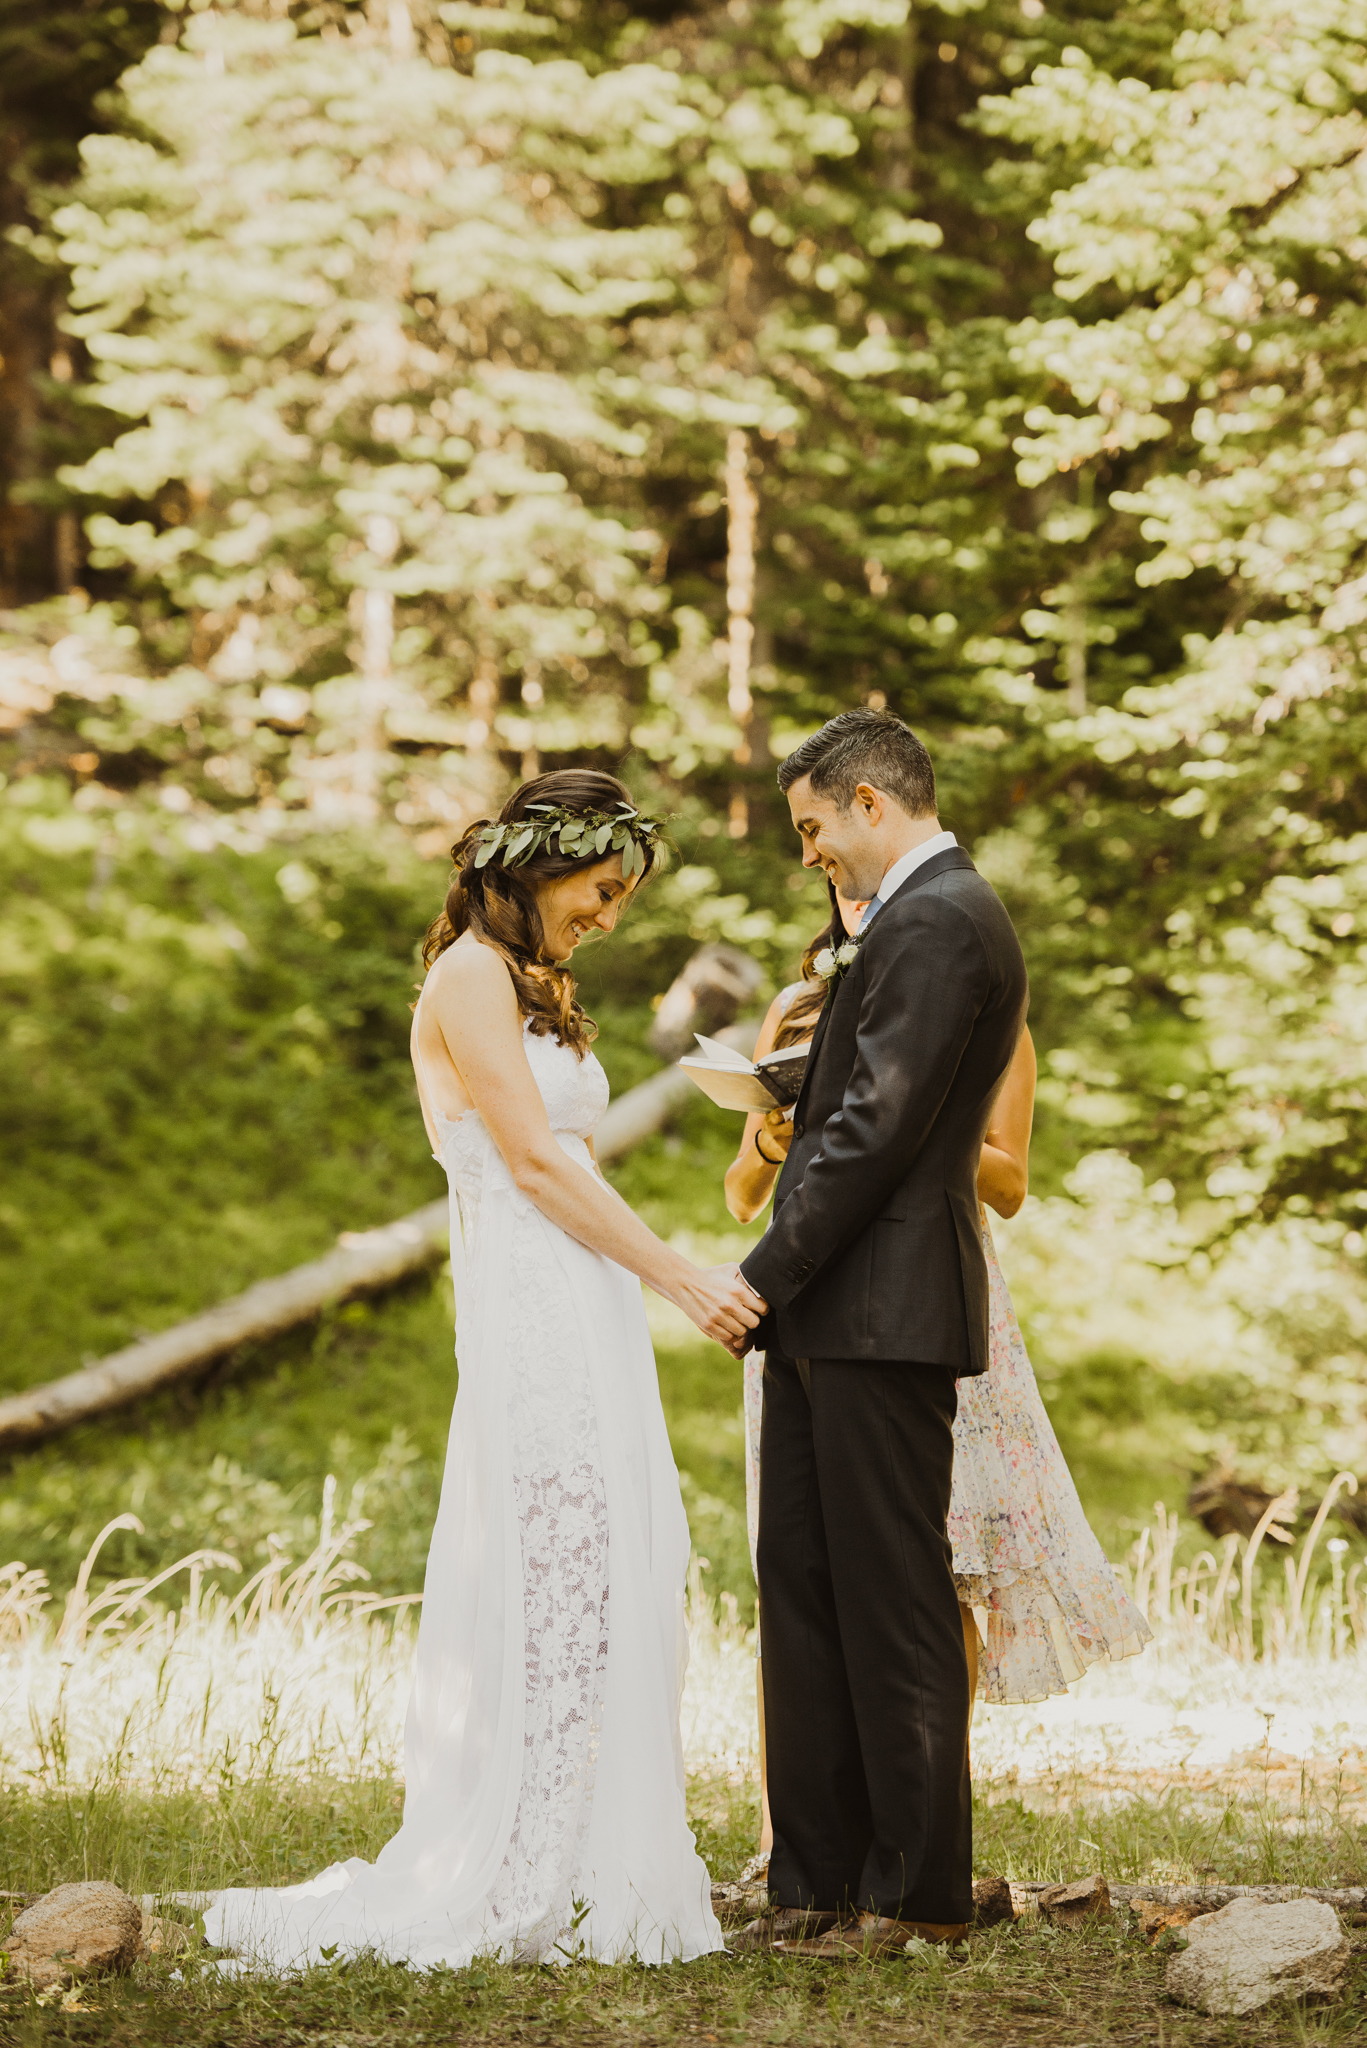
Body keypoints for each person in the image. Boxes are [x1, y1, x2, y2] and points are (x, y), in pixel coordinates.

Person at [205, 769, 765, 1971]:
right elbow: (534, 1161)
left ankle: (585, 1849)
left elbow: (570, 1158)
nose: (609, 915)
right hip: (532, 1306)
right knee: (561, 1565)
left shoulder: (530, 985)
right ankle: (524, 1858)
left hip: (583, 1297)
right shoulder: (465, 973)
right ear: (536, 863)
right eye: (601, 888)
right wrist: (682, 1277)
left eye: (622, 895)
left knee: (616, 1559)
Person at [726, 883, 1151, 1875]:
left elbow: (1008, 1179)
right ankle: (784, 1834)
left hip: (935, 1302)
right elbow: (743, 1189)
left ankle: (917, 1824)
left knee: (941, 1566)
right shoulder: (793, 1016)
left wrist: (901, 1123)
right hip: (805, 1293)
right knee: (803, 1571)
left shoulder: (989, 1023)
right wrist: (773, 1134)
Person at [731, 707, 1028, 1959]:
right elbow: (850, 1102)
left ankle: (915, 1893)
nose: (810, 855)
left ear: (867, 801)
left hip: (884, 1306)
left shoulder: (942, 917)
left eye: (812, 827)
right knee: (800, 1584)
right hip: (826, 1306)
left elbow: (880, 1131)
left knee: (892, 1601)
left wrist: (757, 1272)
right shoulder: (892, 927)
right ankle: (813, 1877)